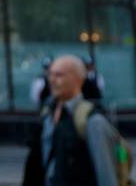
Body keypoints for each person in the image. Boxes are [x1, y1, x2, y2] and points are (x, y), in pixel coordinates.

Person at [22, 54, 120, 186]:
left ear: (78, 78)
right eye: (50, 74)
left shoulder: (92, 120)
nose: (52, 80)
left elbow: (106, 175)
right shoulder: (47, 115)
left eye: (59, 75)